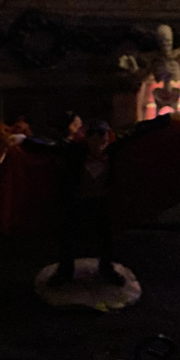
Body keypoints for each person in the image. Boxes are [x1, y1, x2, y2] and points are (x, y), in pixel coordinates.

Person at [23, 116, 124, 287]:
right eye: (93, 139)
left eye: (102, 139)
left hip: (101, 201)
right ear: (87, 139)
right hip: (77, 201)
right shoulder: (75, 152)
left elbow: (138, 134)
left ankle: (106, 268)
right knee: (67, 235)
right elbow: (50, 147)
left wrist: (167, 121)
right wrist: (24, 140)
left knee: (106, 236)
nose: (98, 144)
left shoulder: (113, 152)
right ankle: (65, 271)